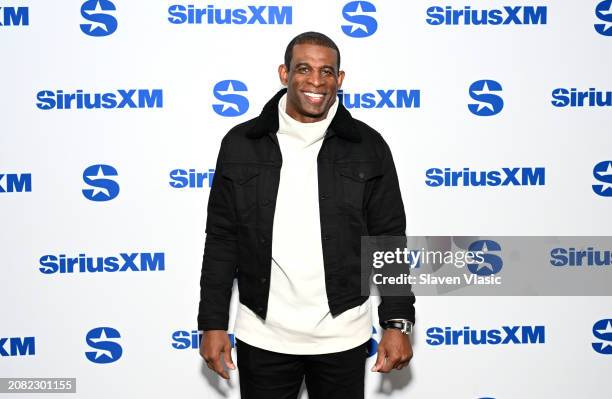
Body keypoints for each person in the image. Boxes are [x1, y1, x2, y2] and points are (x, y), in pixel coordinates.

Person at [198, 31, 415, 399]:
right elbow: (222, 239)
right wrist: (212, 323)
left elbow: (387, 241)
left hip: (342, 335)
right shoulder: (240, 144)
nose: (316, 81)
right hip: (263, 334)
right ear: (284, 74)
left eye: (327, 71)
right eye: (304, 69)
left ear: (340, 80)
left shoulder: (368, 146)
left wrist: (397, 323)